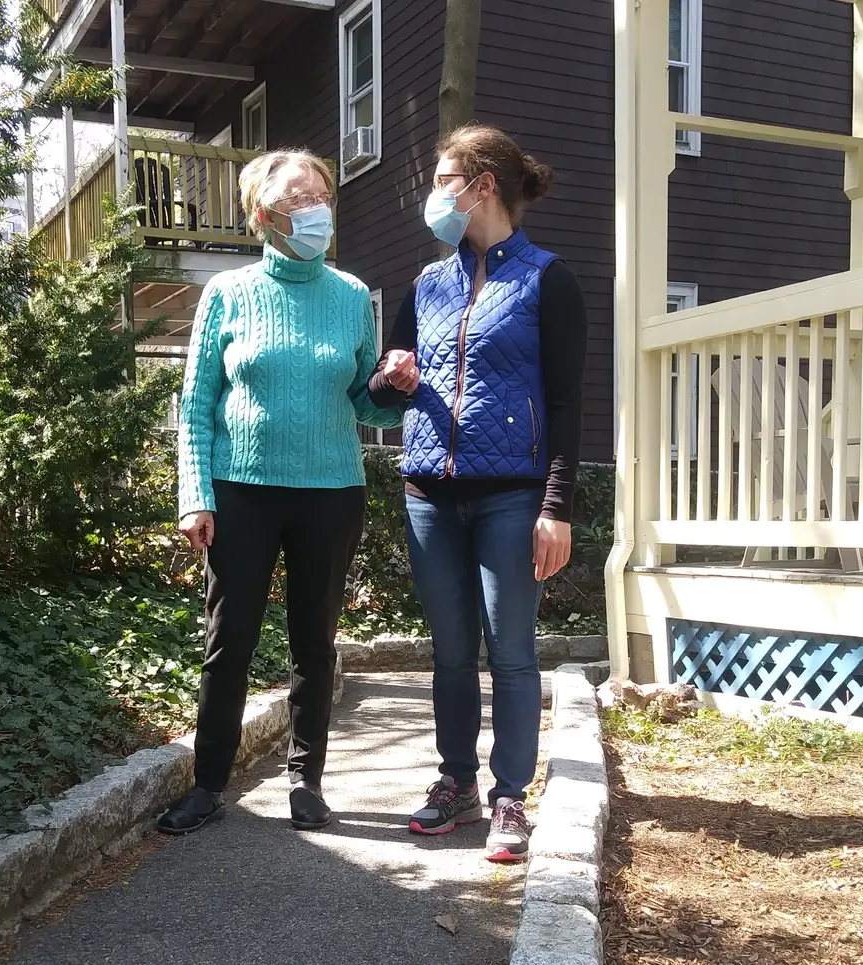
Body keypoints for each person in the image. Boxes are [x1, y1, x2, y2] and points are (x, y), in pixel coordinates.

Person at [158, 149, 401, 836]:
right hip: (241, 492)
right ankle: (208, 784)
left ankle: (307, 780)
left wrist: (396, 391)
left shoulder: (352, 295)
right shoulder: (228, 292)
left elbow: (366, 404)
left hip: (331, 492)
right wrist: (194, 494)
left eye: (322, 192)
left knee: (313, 643)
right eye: (299, 195)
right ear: (263, 213)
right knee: (227, 641)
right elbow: (196, 401)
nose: (316, 205)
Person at [367, 124, 587, 862]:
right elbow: (386, 385)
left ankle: (509, 798)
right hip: (429, 492)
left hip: (510, 497)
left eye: (441, 181)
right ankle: (455, 782)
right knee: (451, 651)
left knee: (512, 652)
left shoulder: (547, 279)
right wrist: (391, 377)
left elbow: (565, 403)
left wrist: (556, 507)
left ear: (480, 185)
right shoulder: (429, 283)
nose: (435, 197)